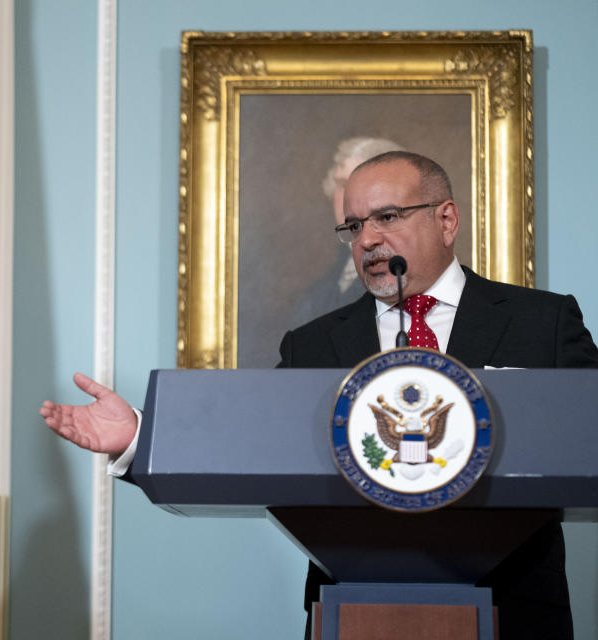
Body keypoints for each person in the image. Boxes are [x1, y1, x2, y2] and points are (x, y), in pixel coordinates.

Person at [40, 150, 598, 640]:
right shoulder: (313, 344)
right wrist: (140, 435)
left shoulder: (543, 321)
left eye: (387, 217)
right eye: (353, 227)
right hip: (351, 611)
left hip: (518, 609)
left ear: (446, 219)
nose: (368, 240)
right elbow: (252, 447)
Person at [288, 137, 403, 327]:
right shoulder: (313, 297)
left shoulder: (402, 276)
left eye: (358, 185)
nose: (346, 198)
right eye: (341, 185)